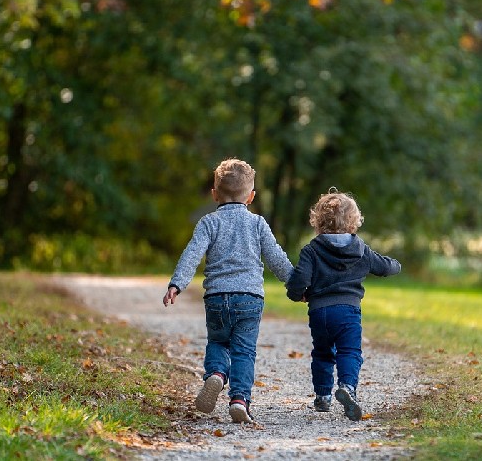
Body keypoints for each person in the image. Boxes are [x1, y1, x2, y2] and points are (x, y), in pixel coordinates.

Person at [163, 158, 293, 424]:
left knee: (218, 342)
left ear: (214, 194)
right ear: (251, 196)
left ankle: (217, 374)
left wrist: (177, 284)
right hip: (249, 299)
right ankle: (239, 399)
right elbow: (276, 258)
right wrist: (296, 284)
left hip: (216, 298)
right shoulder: (257, 224)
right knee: (244, 351)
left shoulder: (208, 223)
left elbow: (191, 255)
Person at [285, 189, 401, 421]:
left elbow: (299, 280)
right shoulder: (360, 250)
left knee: (322, 353)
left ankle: (323, 396)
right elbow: (385, 267)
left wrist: (297, 295)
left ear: (318, 221)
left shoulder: (311, 250)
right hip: (348, 312)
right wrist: (397, 265)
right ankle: (347, 387)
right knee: (349, 351)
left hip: (319, 313)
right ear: (353, 222)